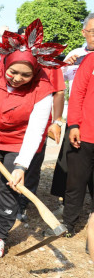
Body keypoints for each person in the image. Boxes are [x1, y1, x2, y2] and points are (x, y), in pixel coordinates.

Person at [0, 19, 66, 257]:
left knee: (11, 186)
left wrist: (21, 165)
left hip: (20, 143)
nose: (17, 78)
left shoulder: (43, 89)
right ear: (5, 65)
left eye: (25, 75)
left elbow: (36, 129)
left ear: (35, 73)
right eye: (13, 71)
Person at [15, 26, 66, 222]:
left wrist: (57, 121)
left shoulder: (50, 64)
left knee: (32, 167)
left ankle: (22, 205)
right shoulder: (9, 61)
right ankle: (9, 202)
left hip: (37, 127)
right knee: (10, 163)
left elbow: (59, 92)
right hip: (11, 125)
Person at [51, 13, 94, 208]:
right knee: (68, 162)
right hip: (77, 115)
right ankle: (64, 203)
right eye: (92, 31)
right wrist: (66, 65)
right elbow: (60, 81)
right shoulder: (76, 54)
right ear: (83, 32)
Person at [62, 45, 94, 237]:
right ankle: (69, 223)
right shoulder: (90, 60)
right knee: (75, 181)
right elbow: (77, 94)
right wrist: (74, 124)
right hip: (85, 133)